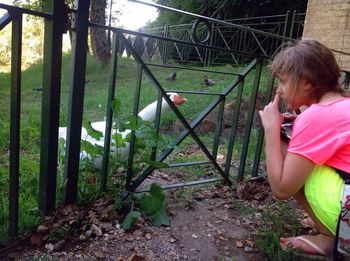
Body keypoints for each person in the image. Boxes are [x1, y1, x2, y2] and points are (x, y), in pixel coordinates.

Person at [259, 38, 350, 257]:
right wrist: (299, 124)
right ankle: (334, 231)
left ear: (307, 82)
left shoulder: (317, 116)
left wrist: (272, 130)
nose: (279, 90)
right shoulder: (340, 103)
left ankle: (332, 236)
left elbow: (281, 189)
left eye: (283, 81)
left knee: (284, 142)